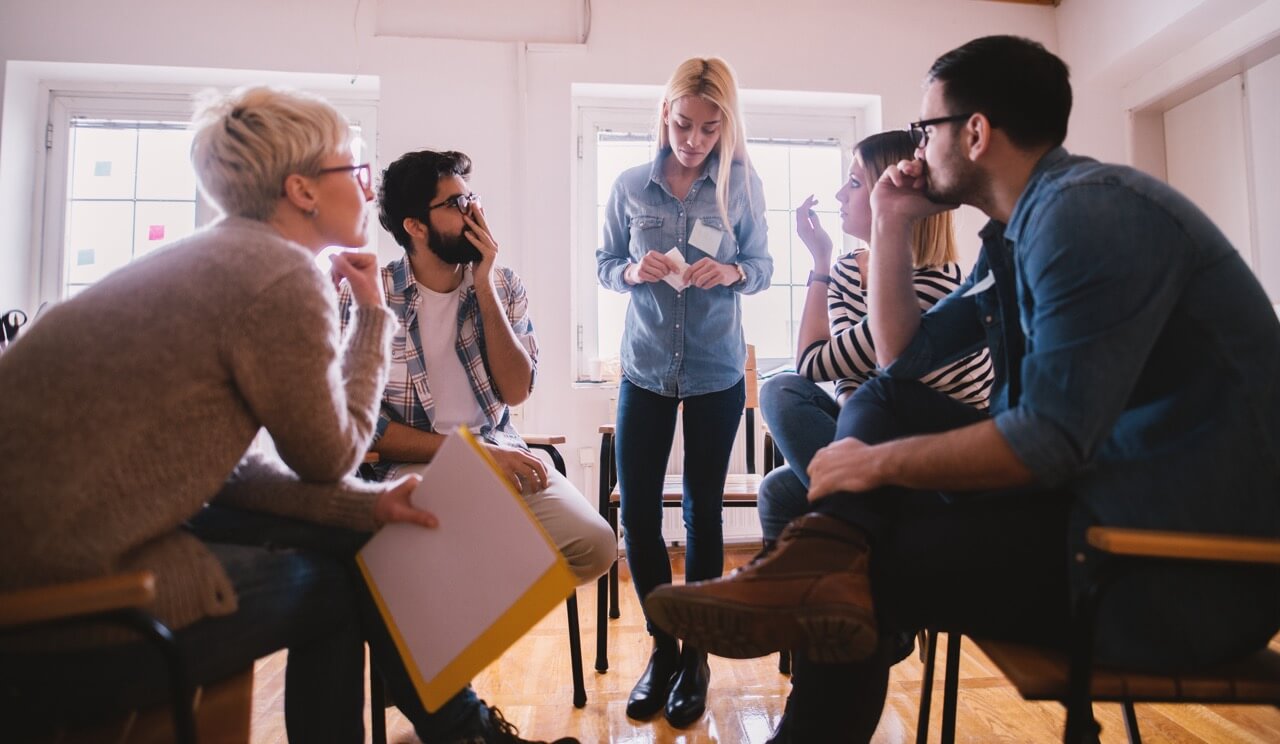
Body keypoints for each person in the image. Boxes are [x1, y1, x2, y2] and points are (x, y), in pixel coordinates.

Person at [646, 35, 1280, 742]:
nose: (916, 148)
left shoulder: (1083, 218)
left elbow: (1046, 441)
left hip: (1173, 572)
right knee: (827, 467)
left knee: (856, 580)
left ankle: (813, 572)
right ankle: (818, 557)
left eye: (926, 129)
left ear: (974, 132)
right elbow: (903, 359)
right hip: (1095, 516)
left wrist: (875, 462)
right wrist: (889, 223)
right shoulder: (1020, 232)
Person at [0, 86, 574, 744]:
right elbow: (330, 457)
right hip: (55, 609)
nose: (367, 191)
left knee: (356, 547)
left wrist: (367, 508)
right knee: (335, 590)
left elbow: (230, 471)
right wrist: (372, 319)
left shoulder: (222, 256)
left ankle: (467, 734)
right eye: (354, 171)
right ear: (303, 190)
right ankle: (468, 735)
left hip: (42, 560)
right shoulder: (279, 276)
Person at [342, 148, 614, 586]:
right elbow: (361, 425)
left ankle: (467, 615)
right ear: (415, 226)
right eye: (454, 204)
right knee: (433, 552)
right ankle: (457, 627)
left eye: (471, 199)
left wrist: (484, 284)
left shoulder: (503, 285)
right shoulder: (367, 295)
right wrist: (473, 456)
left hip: (499, 448)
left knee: (595, 545)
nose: (472, 212)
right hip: (413, 466)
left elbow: (517, 392)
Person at [595, 56, 772, 727]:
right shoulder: (629, 187)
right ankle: (663, 650)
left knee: (702, 512)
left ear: (725, 124)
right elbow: (604, 264)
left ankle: (696, 657)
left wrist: (728, 270)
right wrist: (628, 271)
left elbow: (761, 268)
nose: (692, 140)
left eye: (706, 127)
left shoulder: (742, 187)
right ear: (664, 116)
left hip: (714, 373)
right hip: (643, 369)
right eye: (681, 124)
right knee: (637, 514)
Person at [757, 129, 992, 547]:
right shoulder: (850, 268)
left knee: (787, 395)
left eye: (853, 183)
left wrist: (854, 416)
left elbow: (817, 362)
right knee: (777, 475)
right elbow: (836, 370)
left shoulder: (933, 285)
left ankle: (857, 528)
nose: (838, 196)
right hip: (877, 426)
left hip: (937, 455)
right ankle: (808, 594)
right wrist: (823, 261)